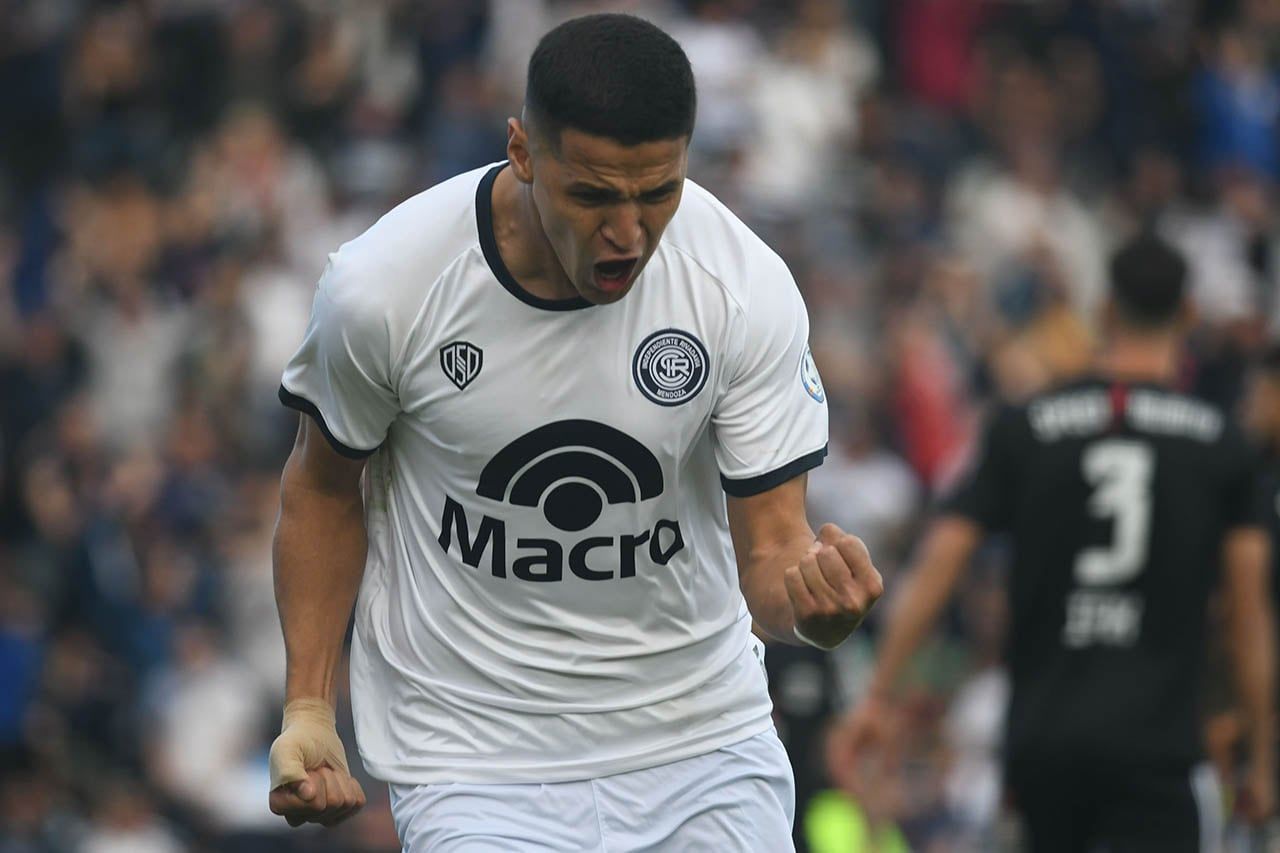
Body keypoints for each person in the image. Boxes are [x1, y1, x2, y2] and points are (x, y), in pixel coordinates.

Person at [264, 14, 883, 851]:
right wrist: (309, 705)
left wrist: (814, 610)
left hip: (700, 742)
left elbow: (771, 551)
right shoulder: (386, 288)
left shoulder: (740, 285)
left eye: (657, 191)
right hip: (476, 763)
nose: (629, 231)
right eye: (593, 194)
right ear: (522, 152)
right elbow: (323, 491)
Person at [830, 233, 1276, 852]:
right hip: (1162, 749)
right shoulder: (1223, 449)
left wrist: (879, 695)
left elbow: (941, 561)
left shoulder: (1027, 427)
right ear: (1189, 317)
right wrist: (1262, 752)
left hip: (1043, 746)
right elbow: (1249, 615)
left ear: (1105, 313)